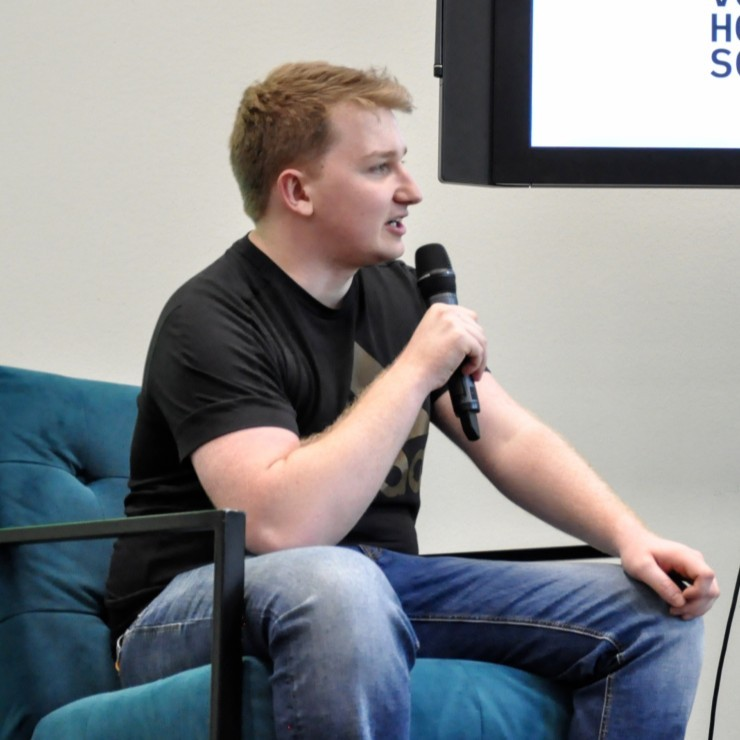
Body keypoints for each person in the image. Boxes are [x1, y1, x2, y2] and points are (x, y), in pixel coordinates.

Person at [105, 61, 719, 739]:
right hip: (200, 601)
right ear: (298, 191)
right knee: (339, 585)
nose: (412, 190)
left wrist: (632, 538)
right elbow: (281, 530)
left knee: (654, 613)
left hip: (375, 582)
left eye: (403, 161)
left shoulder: (399, 296)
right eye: (379, 168)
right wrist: (416, 368)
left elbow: (510, 439)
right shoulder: (210, 317)